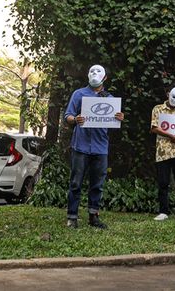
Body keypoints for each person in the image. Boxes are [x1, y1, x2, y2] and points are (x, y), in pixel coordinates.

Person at [63, 64, 124, 229]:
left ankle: (93, 216)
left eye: (98, 72)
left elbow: (113, 122)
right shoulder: (78, 94)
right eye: (91, 71)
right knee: (76, 183)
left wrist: (119, 117)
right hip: (80, 145)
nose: (94, 74)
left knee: (97, 184)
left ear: (105, 77)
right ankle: (72, 217)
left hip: (100, 147)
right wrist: (75, 119)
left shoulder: (110, 100)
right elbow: (67, 115)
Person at [151, 86, 175, 222]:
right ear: (168, 94)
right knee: (163, 182)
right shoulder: (158, 109)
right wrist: (171, 135)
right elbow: (154, 128)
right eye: (173, 96)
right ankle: (163, 211)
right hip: (162, 151)